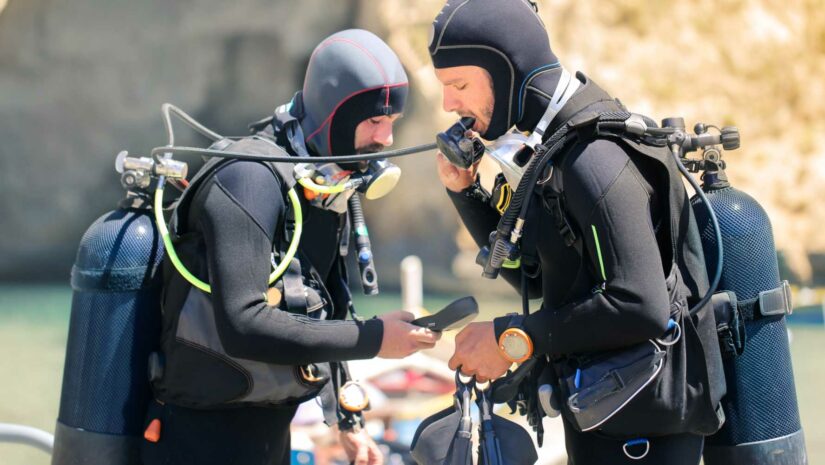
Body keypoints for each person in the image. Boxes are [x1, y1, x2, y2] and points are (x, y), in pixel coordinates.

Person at [427, 1, 725, 463]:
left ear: (506, 72)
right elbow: (543, 280)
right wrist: (467, 195)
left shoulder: (594, 158)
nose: (449, 104)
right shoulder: (552, 150)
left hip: (645, 435)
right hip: (610, 420)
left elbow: (639, 305)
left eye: (459, 85)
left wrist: (513, 338)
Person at [141, 29, 440, 465]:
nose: (386, 139)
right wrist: (376, 339)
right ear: (334, 114)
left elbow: (330, 310)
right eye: (374, 121)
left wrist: (348, 422)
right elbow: (243, 324)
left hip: (267, 438)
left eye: (391, 123)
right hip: (193, 442)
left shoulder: (319, 185)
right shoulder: (248, 177)